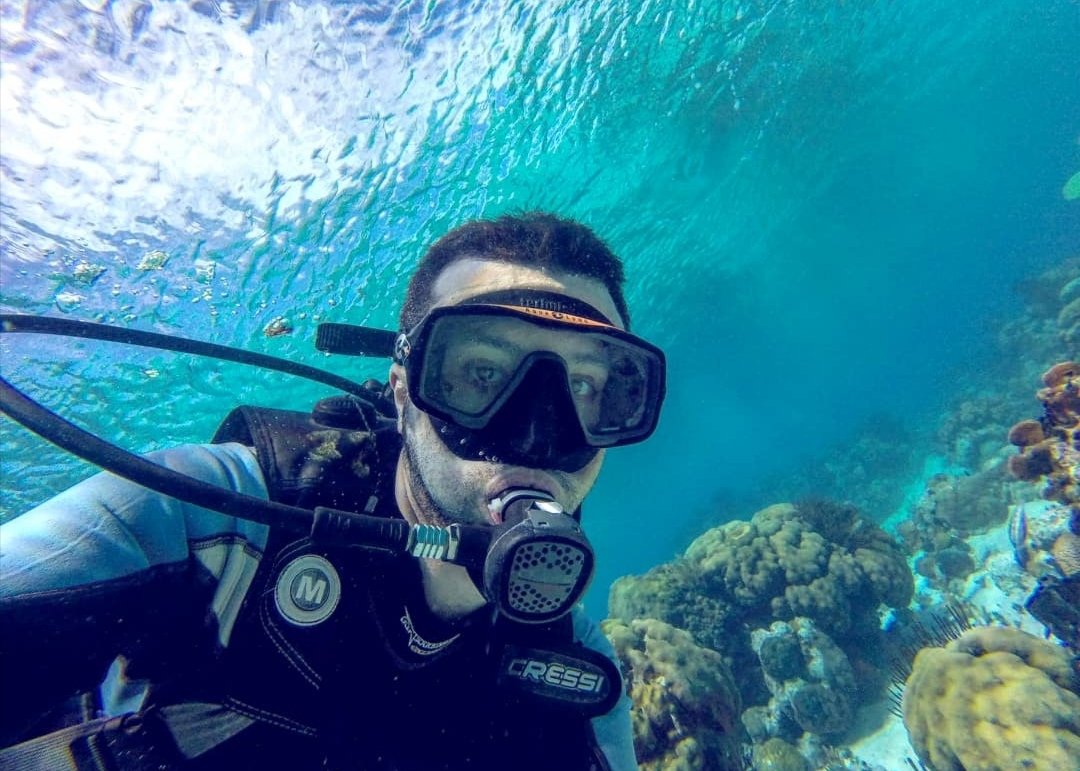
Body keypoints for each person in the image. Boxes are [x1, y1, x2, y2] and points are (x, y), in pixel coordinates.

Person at [0, 212, 667, 771]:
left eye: (587, 386)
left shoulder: (570, 670)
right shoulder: (207, 521)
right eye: (482, 371)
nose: (537, 433)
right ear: (404, 388)